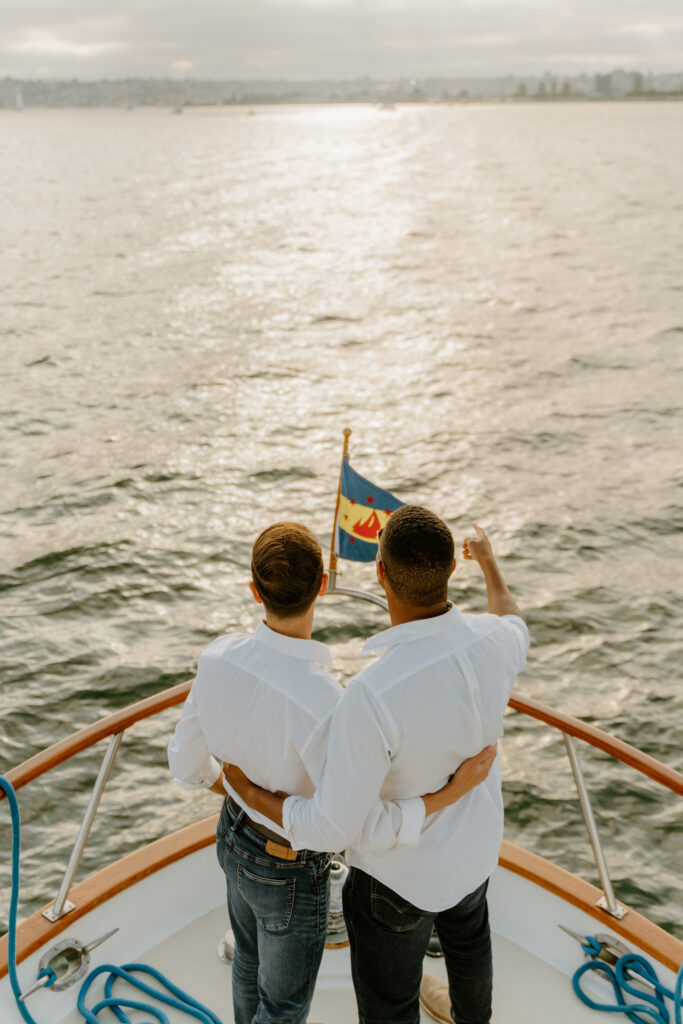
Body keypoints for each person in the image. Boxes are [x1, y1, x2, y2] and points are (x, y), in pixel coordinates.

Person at [168, 520, 497, 1024]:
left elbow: (186, 764)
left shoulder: (216, 658)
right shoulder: (329, 703)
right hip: (290, 863)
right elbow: (340, 827)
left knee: (248, 965)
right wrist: (449, 795)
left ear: (254, 589)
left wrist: (235, 788)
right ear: (323, 584)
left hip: (233, 839)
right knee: (283, 1005)